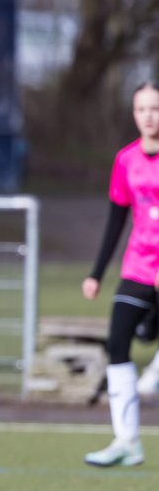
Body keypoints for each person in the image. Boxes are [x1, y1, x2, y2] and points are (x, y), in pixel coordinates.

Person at [79, 82, 159, 468]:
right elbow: (115, 221)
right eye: (141, 109)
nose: (148, 116)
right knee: (118, 344)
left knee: (150, 335)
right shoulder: (126, 160)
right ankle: (127, 440)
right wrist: (96, 273)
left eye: (155, 109)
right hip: (138, 267)